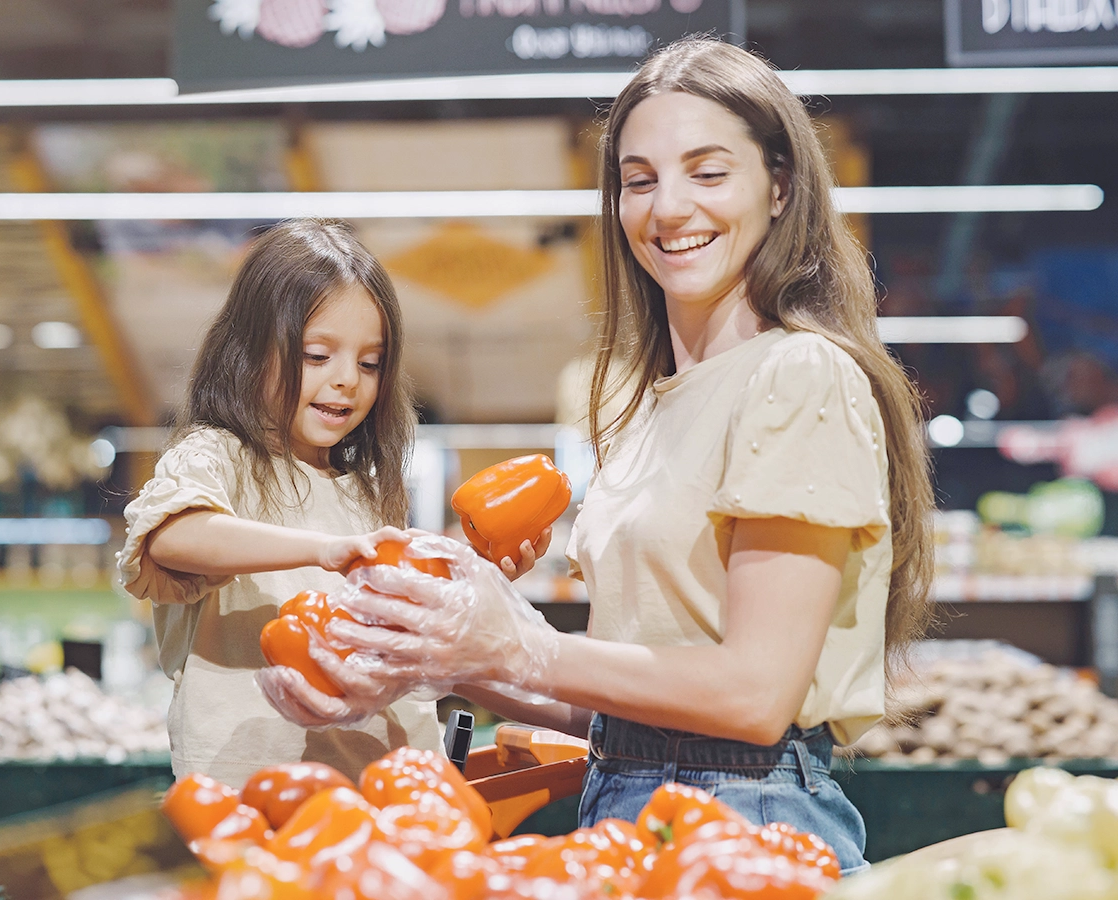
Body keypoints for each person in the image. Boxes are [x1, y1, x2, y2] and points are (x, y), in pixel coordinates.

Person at [263, 38, 935, 876]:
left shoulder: (797, 374)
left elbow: (755, 698)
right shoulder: (648, 405)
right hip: (628, 802)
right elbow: (628, 707)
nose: (668, 208)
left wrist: (519, 646)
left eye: (708, 172)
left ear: (781, 186)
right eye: (639, 179)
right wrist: (431, 659)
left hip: (748, 815)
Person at [116, 218, 446, 788]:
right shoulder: (217, 458)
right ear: (248, 351)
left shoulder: (363, 488)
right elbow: (172, 535)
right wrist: (324, 550)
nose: (348, 380)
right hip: (249, 794)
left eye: (370, 363)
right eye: (317, 356)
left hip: (377, 790)